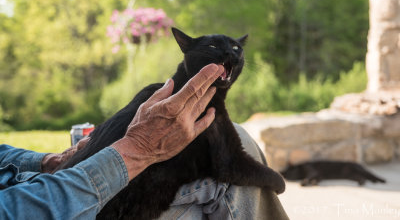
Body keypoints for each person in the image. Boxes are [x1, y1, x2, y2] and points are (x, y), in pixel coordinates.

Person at [0, 64, 289, 220]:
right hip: (50, 207)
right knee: (229, 173)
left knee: (229, 137)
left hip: (28, 184)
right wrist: (137, 150)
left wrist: (46, 161)